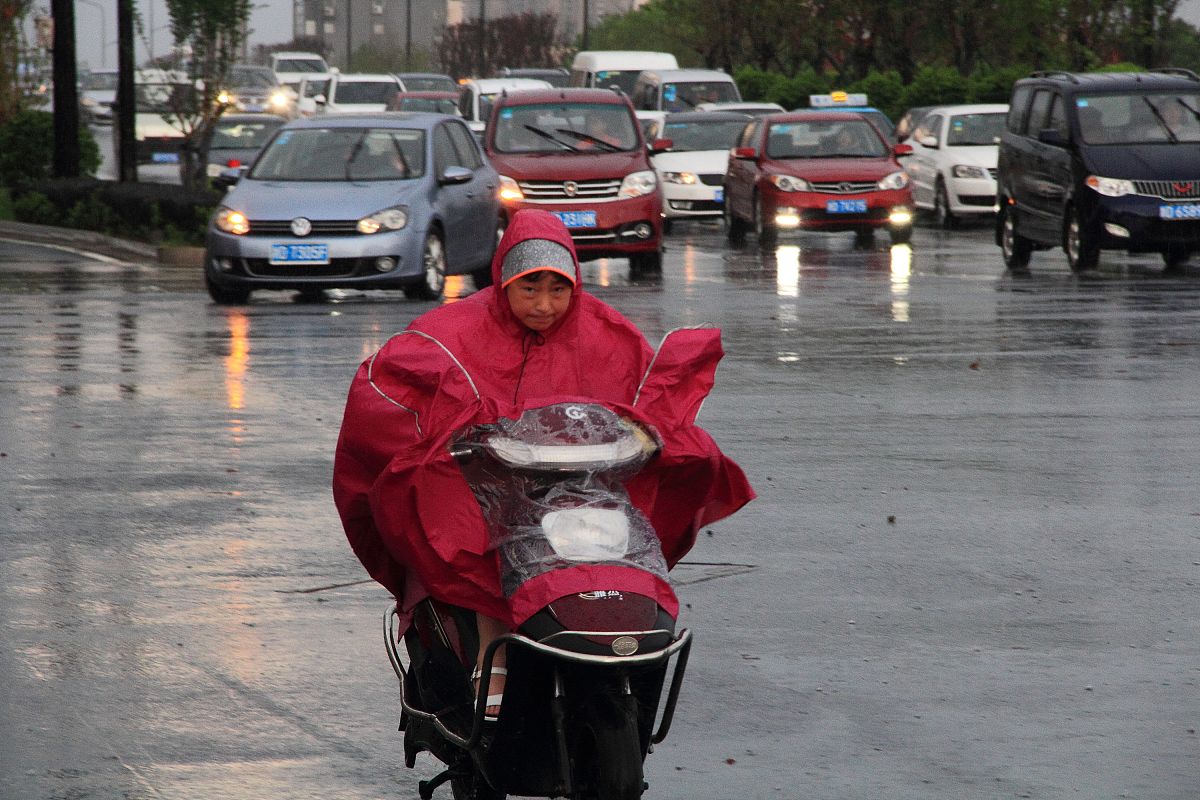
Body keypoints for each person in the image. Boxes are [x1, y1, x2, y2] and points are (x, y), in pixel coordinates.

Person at [332, 209, 754, 718]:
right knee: (473, 556)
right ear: (503, 280)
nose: (546, 305)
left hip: (587, 491)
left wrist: (655, 434)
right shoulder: (451, 331)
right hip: (486, 493)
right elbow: (394, 378)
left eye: (559, 289)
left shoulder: (609, 332)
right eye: (529, 288)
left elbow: (645, 403)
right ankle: (494, 656)